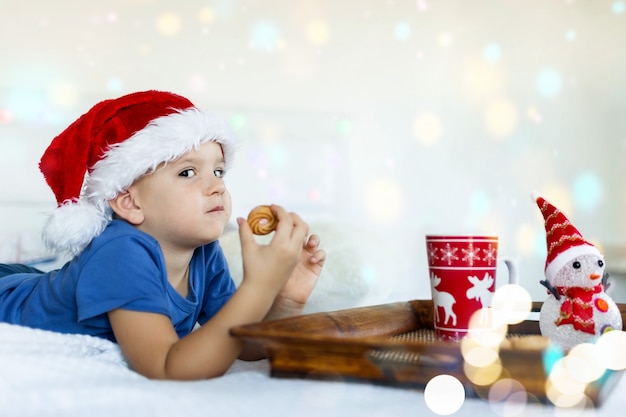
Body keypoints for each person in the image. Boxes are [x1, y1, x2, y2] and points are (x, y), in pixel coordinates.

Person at [0, 90, 326, 380]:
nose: (217, 186)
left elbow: (242, 345)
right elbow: (166, 366)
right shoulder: (119, 251)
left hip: (35, 279)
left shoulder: (205, 252)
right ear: (129, 202)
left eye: (218, 171)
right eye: (187, 172)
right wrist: (259, 285)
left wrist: (284, 299)